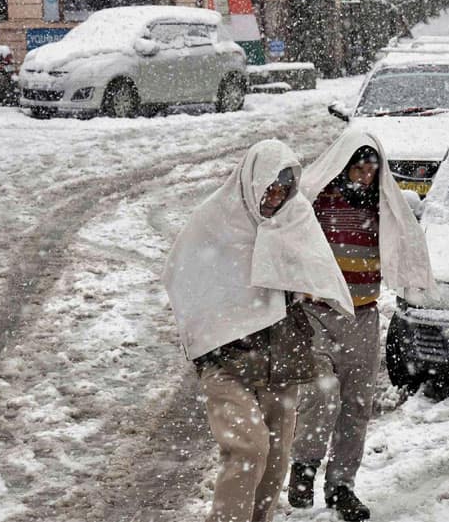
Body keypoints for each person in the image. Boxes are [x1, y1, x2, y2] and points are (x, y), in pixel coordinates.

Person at [162, 140, 355, 522]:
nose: (275, 198)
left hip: (281, 360)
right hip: (227, 362)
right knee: (248, 450)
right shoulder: (215, 222)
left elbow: (314, 268)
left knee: (276, 460)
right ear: (252, 182)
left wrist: (303, 287)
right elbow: (183, 280)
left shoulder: (292, 218)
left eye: (284, 191)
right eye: (270, 189)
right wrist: (214, 335)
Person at [287, 131, 435, 521]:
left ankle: (341, 487)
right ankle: (303, 466)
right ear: (343, 167)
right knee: (322, 394)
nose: (365, 177)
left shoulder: (382, 207)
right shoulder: (316, 203)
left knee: (356, 404)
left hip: (363, 316)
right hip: (316, 313)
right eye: (358, 168)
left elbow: (404, 245)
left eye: (372, 169)